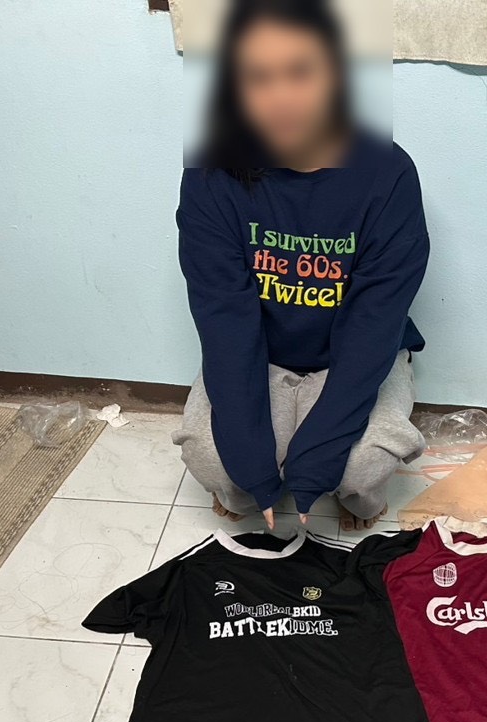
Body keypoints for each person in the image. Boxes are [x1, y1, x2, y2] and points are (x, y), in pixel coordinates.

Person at [173, 0, 429, 531]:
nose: (281, 99)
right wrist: (250, 464)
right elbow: (225, 321)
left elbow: (373, 325)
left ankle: (355, 496)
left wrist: (318, 460)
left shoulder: (389, 174)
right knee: (217, 460)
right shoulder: (210, 172)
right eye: (257, 78)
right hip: (260, 356)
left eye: (301, 72)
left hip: (353, 357)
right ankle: (253, 482)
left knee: (359, 468)